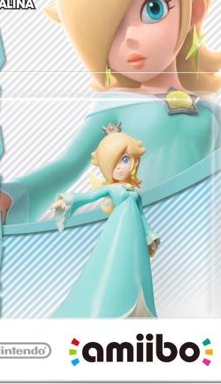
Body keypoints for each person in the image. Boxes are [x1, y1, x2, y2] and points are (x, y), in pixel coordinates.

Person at [0, 0, 221, 225]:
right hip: (137, 233)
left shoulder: (210, 112)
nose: (130, 37)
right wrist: (11, 195)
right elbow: (69, 165)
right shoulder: (116, 104)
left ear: (194, 10)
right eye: (109, 27)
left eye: (154, 8)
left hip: (198, 234)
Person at [51, 127, 160, 317]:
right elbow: (88, 197)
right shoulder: (112, 189)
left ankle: (137, 309)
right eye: (113, 163)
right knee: (112, 265)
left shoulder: (135, 191)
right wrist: (66, 201)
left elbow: (142, 215)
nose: (119, 167)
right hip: (117, 233)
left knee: (134, 267)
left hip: (135, 235)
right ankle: (109, 308)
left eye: (124, 160)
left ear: (134, 161)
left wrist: (150, 236)